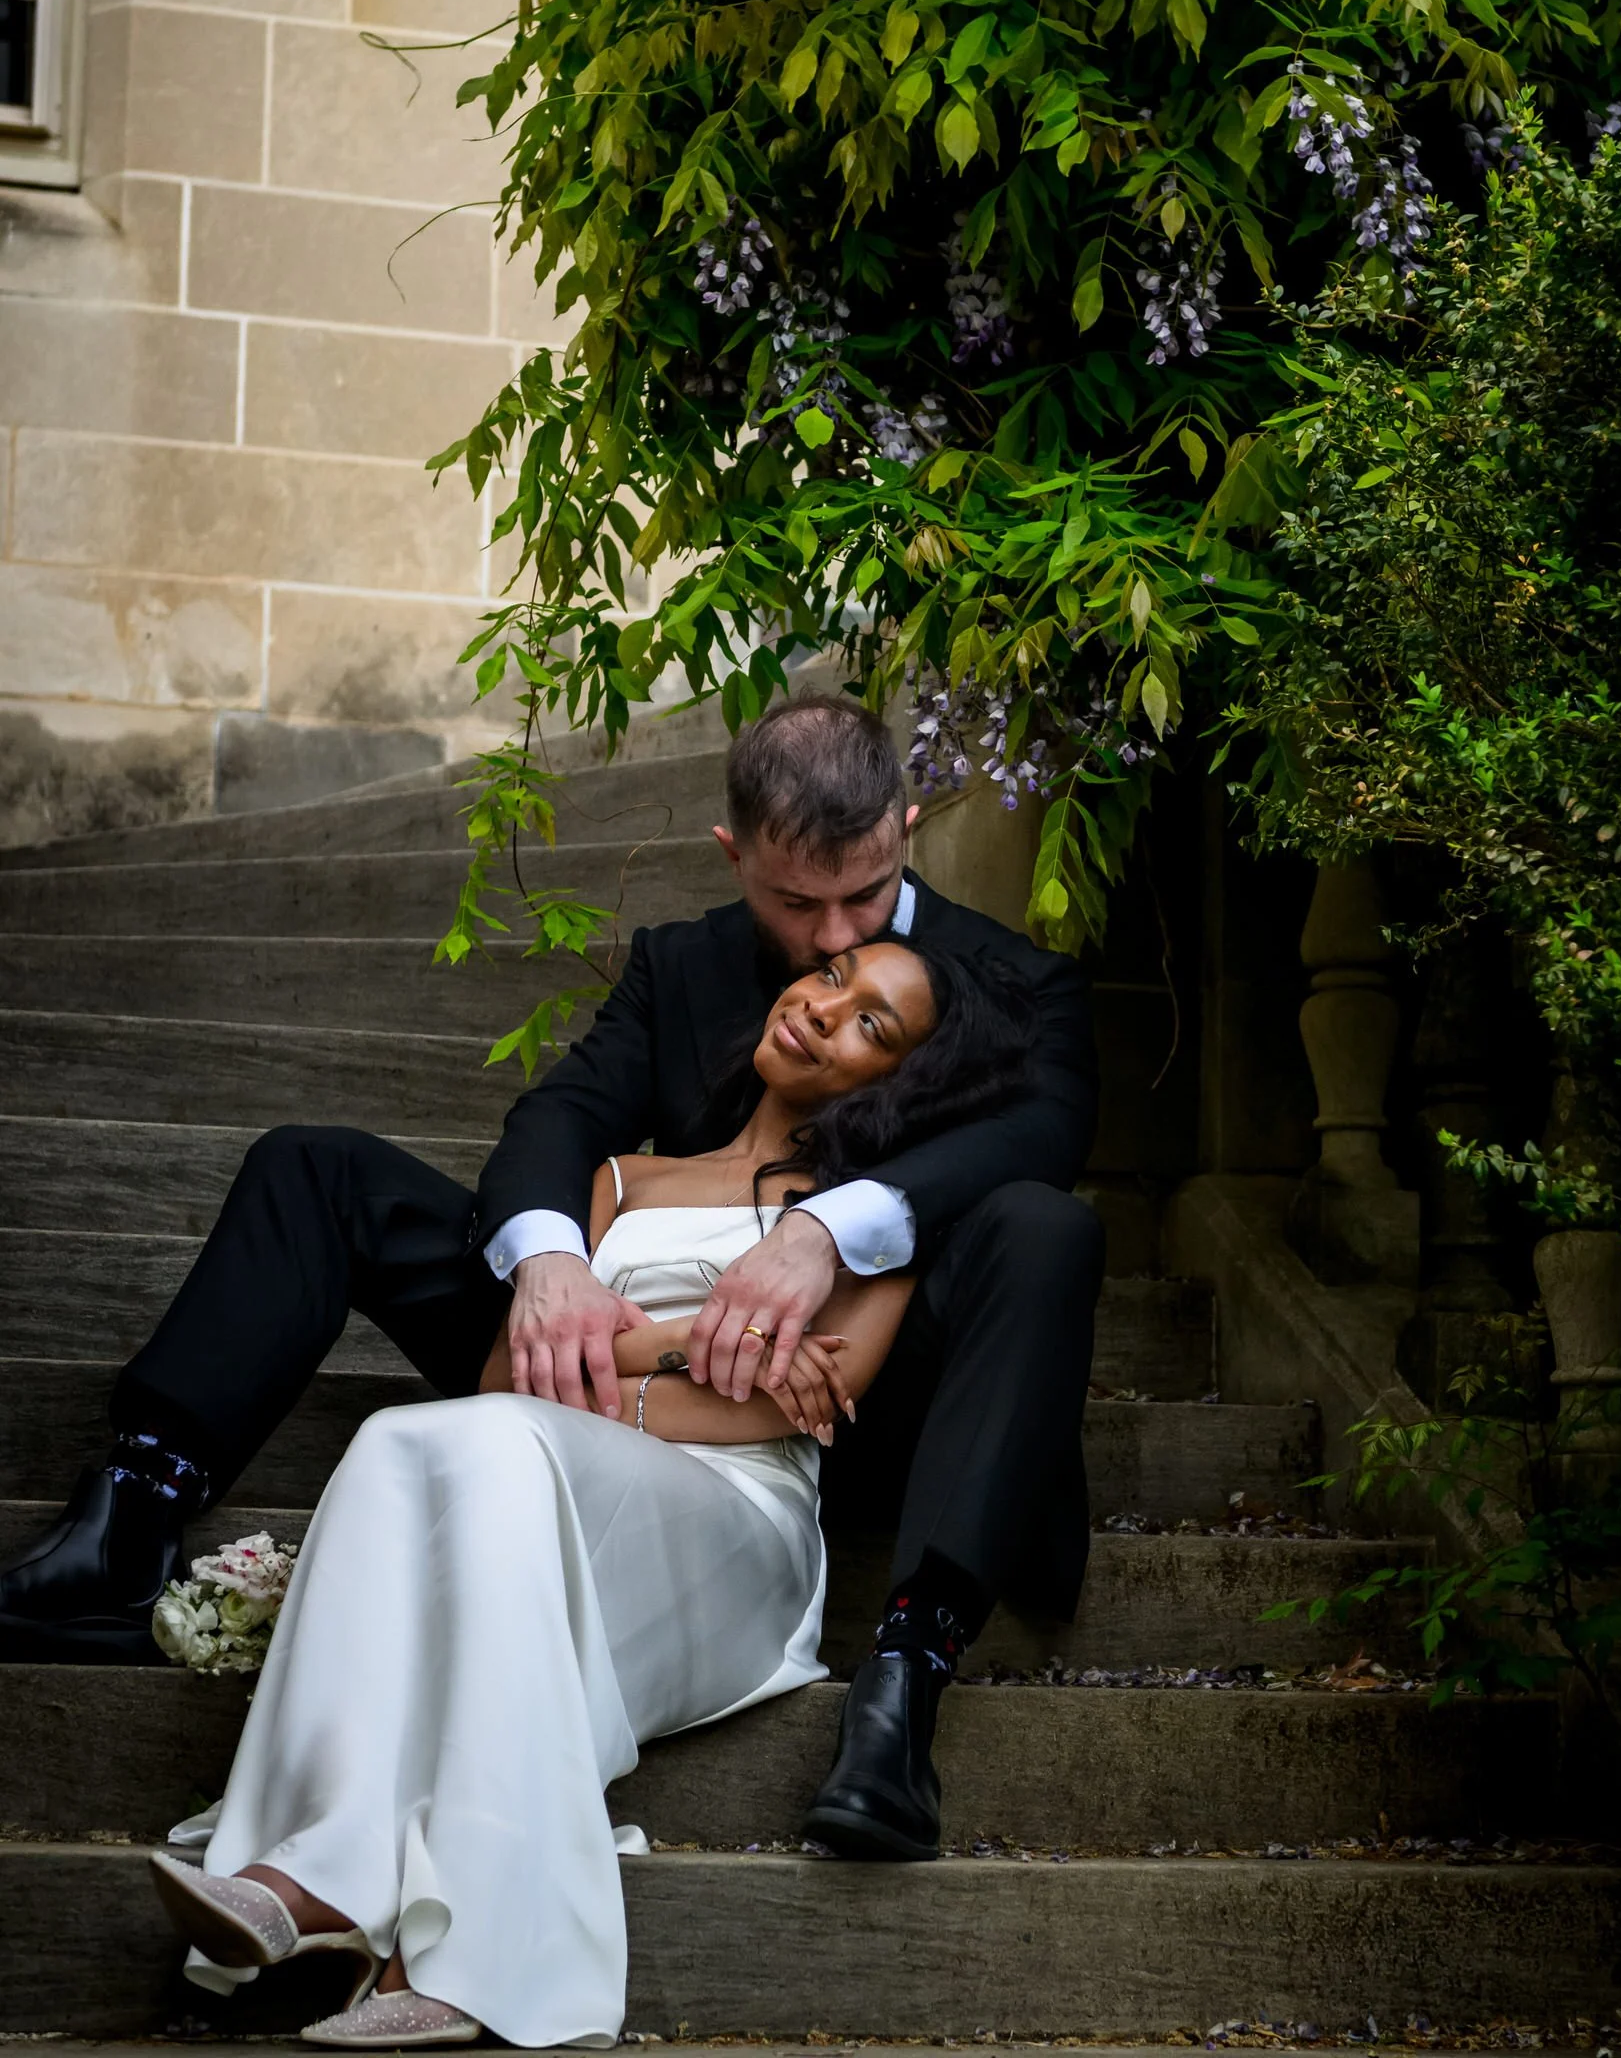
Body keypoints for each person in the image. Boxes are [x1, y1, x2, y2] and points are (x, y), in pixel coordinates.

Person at [0, 694, 1102, 1860]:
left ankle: (905, 1678)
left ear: (908, 828)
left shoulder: (1019, 982)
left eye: (864, 897)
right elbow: (562, 1116)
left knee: (1044, 1226)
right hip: (596, 1363)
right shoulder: (680, 966)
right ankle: (133, 1521)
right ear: (733, 856)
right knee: (313, 1170)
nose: (832, 942)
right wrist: (551, 1266)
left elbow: (1039, 1137)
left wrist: (827, 1232)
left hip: (851, 1399)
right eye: (795, 902)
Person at [148, 940, 1033, 2049]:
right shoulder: (620, 1181)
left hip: (733, 1529)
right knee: (396, 1438)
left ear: (896, 1079)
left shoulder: (861, 1218)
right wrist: (683, 1341)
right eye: (834, 975)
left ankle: (459, 1945)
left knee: (506, 1445)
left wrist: (600, 1381)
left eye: (872, 1024)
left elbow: (811, 1402)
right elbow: (493, 1377)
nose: (823, 1006)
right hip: (541, 1466)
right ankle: (308, 1871)